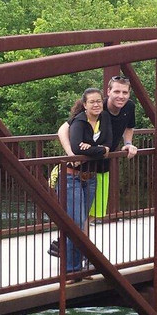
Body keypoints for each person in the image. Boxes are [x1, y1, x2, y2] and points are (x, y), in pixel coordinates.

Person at [56, 75, 138, 220]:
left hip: (103, 166)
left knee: (92, 215)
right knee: (79, 216)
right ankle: (75, 241)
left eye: (125, 92)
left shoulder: (129, 107)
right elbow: (63, 129)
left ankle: (80, 241)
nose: (121, 96)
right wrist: (71, 154)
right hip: (84, 166)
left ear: (129, 93)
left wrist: (128, 144)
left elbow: (129, 127)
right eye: (117, 92)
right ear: (108, 92)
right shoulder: (99, 106)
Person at [49, 87, 112, 276]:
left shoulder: (105, 118)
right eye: (92, 102)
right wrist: (99, 149)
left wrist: (94, 148)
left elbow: (108, 145)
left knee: (82, 221)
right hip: (71, 177)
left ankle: (77, 262)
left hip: (90, 178)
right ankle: (71, 270)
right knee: (75, 223)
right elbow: (77, 148)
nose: (96, 104)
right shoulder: (79, 121)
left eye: (99, 101)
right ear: (84, 105)